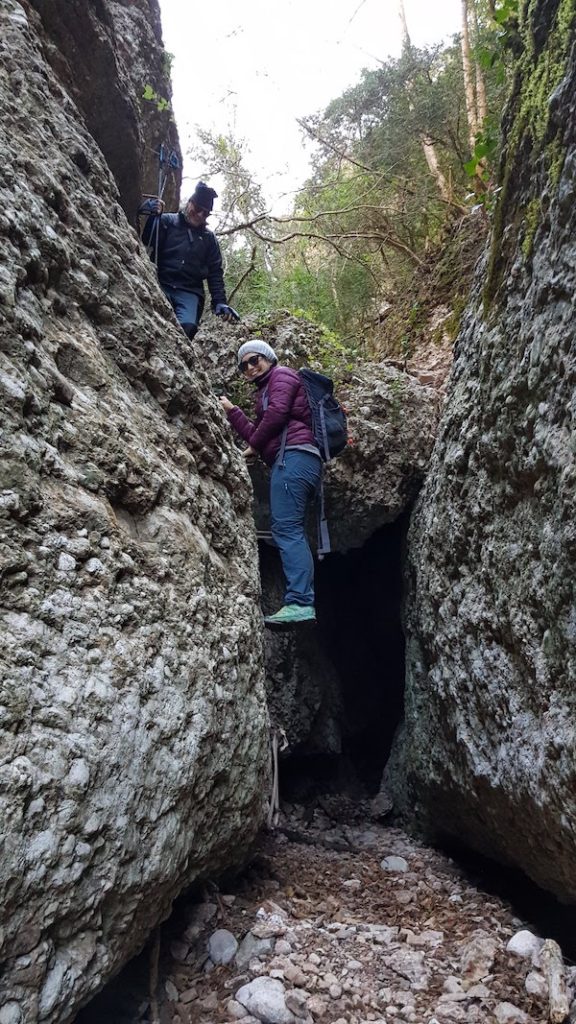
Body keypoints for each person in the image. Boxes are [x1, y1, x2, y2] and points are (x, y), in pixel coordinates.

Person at [220, 341, 322, 626]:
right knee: (289, 529)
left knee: (287, 530)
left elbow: (276, 416)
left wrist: (254, 444)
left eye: (254, 360)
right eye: (244, 365)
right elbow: (260, 434)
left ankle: (300, 602)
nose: (250, 368)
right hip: (291, 460)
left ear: (268, 358)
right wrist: (232, 411)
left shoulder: (283, 375)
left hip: (294, 459)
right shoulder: (265, 390)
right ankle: (301, 600)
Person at [139, 181, 239, 339]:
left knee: (187, 327)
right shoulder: (167, 221)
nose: (200, 215)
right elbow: (148, 239)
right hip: (161, 282)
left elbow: (215, 273)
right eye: (198, 209)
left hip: (189, 291)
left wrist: (219, 302)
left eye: (205, 213)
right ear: (190, 203)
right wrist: (153, 217)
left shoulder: (209, 239)